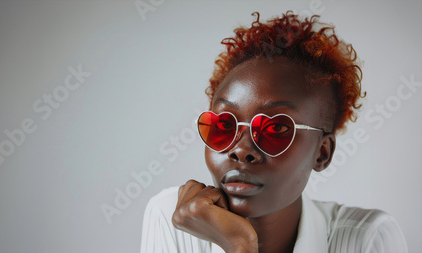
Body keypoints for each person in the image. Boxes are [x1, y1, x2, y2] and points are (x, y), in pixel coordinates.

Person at [140, 11, 408, 253]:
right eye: (224, 125)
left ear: (322, 153)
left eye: (276, 128)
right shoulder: (168, 217)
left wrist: (240, 247)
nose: (241, 150)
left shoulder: (368, 239)